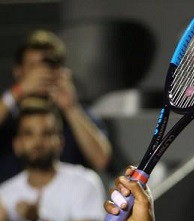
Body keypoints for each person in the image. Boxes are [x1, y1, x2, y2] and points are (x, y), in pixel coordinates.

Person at [0, 30, 112, 183]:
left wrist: (70, 107)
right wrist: (17, 91)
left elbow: (101, 160)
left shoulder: (75, 113)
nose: (41, 74)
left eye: (47, 66)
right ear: (18, 71)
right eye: (33, 66)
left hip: (67, 196)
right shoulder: (8, 111)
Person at [0, 99, 105, 221]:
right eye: (28, 134)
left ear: (60, 142)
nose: (38, 142)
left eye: (47, 133)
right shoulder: (4, 194)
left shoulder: (84, 183)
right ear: (17, 144)